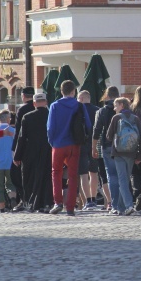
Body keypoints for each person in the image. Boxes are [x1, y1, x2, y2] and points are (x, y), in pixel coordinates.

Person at [48, 80, 91, 216]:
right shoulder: (79, 105)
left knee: (56, 173)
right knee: (73, 175)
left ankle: (58, 202)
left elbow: (50, 128)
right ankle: (71, 206)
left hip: (58, 144)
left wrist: (52, 142)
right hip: (74, 144)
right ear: (74, 91)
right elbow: (88, 125)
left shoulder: (54, 106)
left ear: (61, 91)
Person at [14, 93, 54, 212]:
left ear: (34, 103)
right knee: (47, 177)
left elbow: (21, 137)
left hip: (30, 151)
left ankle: (33, 203)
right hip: (49, 149)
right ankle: (47, 203)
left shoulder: (27, 116)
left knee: (30, 177)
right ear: (46, 102)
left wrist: (17, 155)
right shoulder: (51, 115)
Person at [106, 97, 141, 215]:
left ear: (122, 105)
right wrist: (140, 155)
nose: (114, 108)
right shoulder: (136, 119)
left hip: (118, 153)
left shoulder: (116, 118)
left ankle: (128, 205)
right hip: (132, 153)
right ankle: (121, 208)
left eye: (116, 106)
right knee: (125, 180)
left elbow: (108, 136)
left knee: (122, 180)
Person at [93, 86, 120, 211]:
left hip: (107, 145)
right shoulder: (124, 108)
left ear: (107, 96)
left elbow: (96, 131)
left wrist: (94, 148)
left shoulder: (102, 111)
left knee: (111, 175)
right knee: (123, 175)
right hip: (124, 146)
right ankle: (124, 202)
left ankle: (113, 203)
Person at [11, 86, 35, 211]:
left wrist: (15, 150)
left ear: (23, 96)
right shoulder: (41, 107)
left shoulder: (23, 109)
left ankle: (24, 200)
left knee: (19, 175)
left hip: (25, 147)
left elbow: (18, 132)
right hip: (41, 146)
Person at [77, 90, 101, 211]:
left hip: (81, 144)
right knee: (94, 173)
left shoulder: (77, 109)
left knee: (83, 174)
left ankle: (88, 201)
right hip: (95, 144)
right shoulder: (97, 110)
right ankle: (94, 198)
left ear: (80, 98)